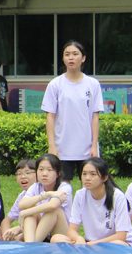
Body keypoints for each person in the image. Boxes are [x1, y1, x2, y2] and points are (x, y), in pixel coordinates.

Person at [42, 40, 103, 182]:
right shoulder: (55, 84)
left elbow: (95, 116)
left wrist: (94, 145)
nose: (71, 57)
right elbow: (50, 117)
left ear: (83, 58)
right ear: (63, 58)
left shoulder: (92, 84)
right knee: (63, 187)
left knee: (90, 184)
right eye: (67, 54)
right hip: (62, 148)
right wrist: (52, 146)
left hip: (87, 148)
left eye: (75, 54)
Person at [52, 158, 132, 246]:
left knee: (118, 243)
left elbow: (121, 236)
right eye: (84, 174)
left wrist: (96, 243)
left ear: (104, 177)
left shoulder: (117, 196)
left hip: (113, 243)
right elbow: (72, 230)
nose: (87, 178)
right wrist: (78, 238)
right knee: (56, 238)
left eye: (93, 174)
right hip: (90, 243)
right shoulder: (80, 195)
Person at [17, 153, 73, 243]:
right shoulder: (35, 186)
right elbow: (22, 204)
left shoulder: (65, 187)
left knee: (54, 211)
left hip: (60, 233)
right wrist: (46, 195)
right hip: (42, 232)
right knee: (31, 214)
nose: (44, 174)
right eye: (41, 169)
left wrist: (24, 213)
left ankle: (32, 246)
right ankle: (29, 244)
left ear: (58, 173)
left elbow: (52, 206)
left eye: (49, 170)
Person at [0, 158, 37, 241]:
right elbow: (7, 220)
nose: (23, 176)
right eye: (19, 174)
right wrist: (7, 234)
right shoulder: (22, 195)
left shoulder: (41, 192)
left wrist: (19, 229)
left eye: (27, 173)